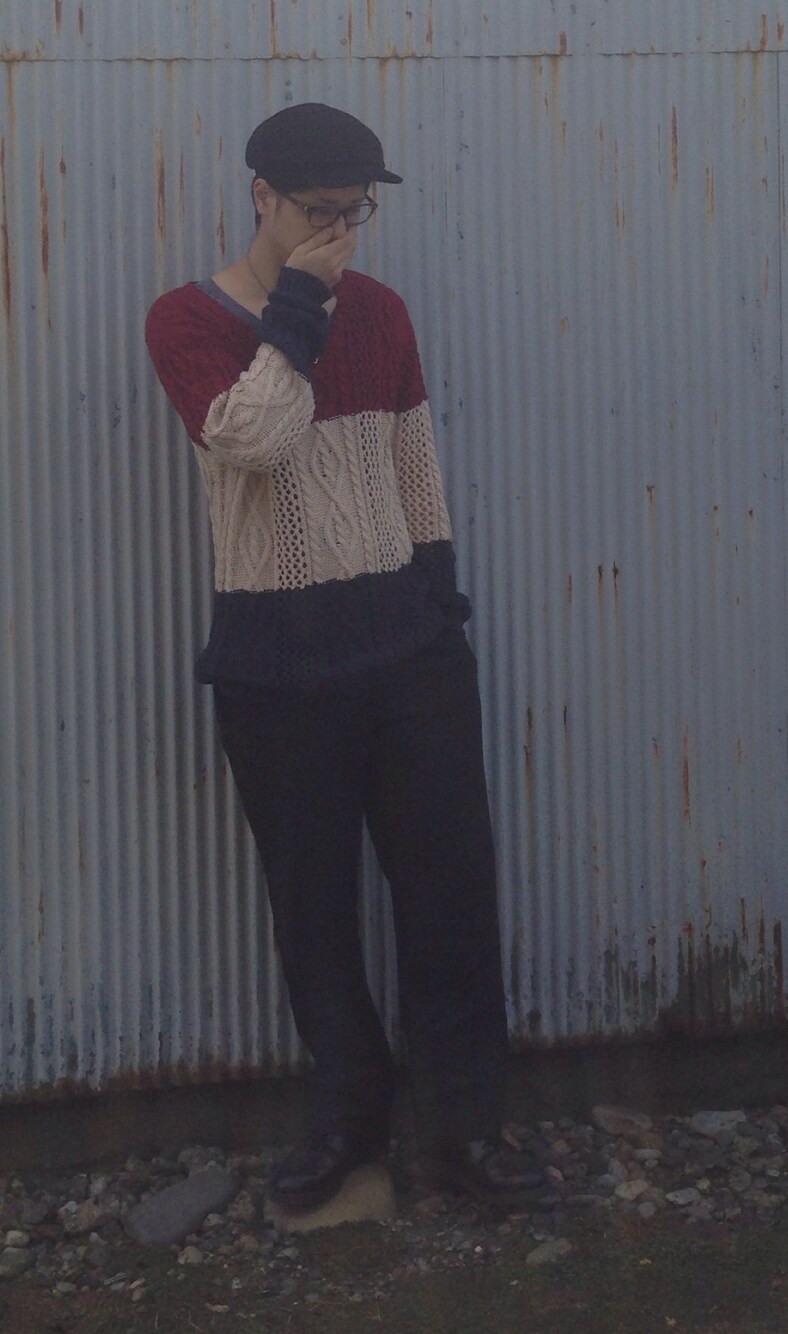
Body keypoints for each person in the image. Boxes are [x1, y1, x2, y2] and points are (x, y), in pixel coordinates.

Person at [145, 103, 543, 1210]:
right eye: (319, 212)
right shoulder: (184, 320)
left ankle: (462, 1136)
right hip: (276, 670)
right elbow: (253, 441)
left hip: (409, 652)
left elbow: (415, 467)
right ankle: (349, 1120)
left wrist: (439, 611)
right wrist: (298, 307)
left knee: (451, 900)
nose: (339, 234)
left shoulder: (385, 312)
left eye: (355, 214)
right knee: (312, 913)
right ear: (261, 196)